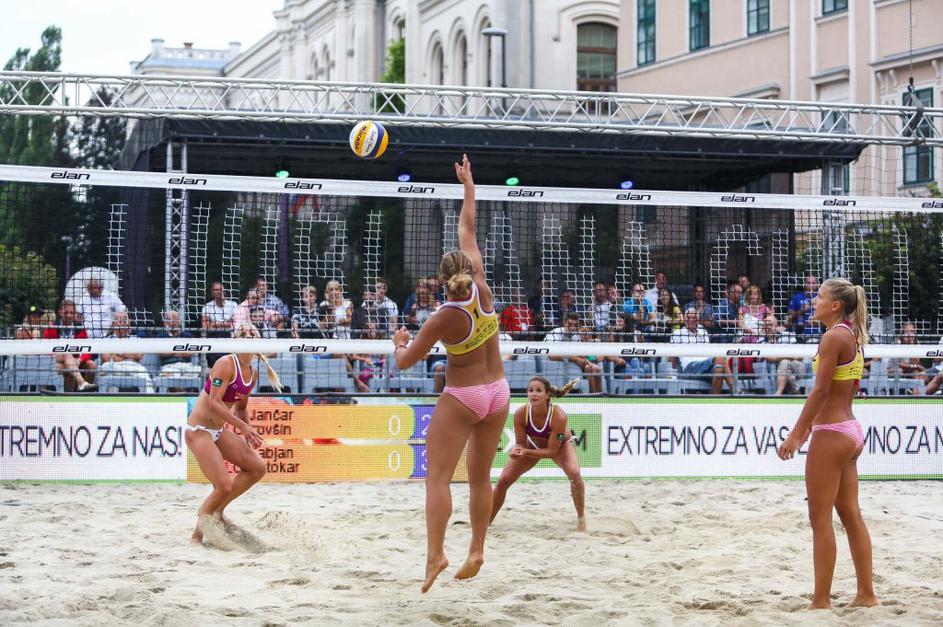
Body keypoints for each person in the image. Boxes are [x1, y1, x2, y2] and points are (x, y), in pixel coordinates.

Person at [390, 154, 509, 594]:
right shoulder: (482, 286)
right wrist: (469, 185)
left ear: (441, 281)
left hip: (464, 396)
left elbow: (405, 364)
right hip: (498, 393)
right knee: (481, 478)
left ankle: (436, 554)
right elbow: (468, 228)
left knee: (437, 478)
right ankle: (477, 547)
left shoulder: (442, 316)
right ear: (467, 269)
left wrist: (398, 341)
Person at [777, 278, 878, 610]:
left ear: (836, 305)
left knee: (819, 518)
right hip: (850, 430)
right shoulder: (851, 335)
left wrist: (796, 432)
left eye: (819, 296)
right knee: (851, 516)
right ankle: (866, 594)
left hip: (832, 432)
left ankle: (820, 601)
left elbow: (820, 392)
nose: (813, 301)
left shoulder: (833, 336)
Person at [185, 323, 283, 545]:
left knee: (257, 468)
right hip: (198, 430)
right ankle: (196, 535)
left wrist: (247, 432)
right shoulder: (225, 363)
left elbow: (240, 408)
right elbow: (213, 403)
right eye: (242, 333)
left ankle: (216, 512)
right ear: (235, 339)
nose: (246, 336)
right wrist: (243, 427)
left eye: (251, 333)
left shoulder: (253, 373)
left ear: (258, 341)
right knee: (224, 486)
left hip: (217, 432)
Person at [491, 376, 585, 531]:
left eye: (538, 391)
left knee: (574, 474)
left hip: (560, 446)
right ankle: (487, 520)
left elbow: (551, 451)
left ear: (547, 394)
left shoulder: (559, 416)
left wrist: (525, 451)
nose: (533, 394)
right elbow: (520, 442)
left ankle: (581, 519)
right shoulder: (521, 413)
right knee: (503, 480)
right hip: (533, 444)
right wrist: (517, 450)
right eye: (530, 390)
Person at [670, 309, 734, 394]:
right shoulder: (677, 334)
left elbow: (708, 354)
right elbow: (672, 358)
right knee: (720, 359)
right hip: (690, 368)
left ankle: (714, 402)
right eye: (689, 318)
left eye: (694, 318)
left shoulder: (703, 332)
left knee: (720, 368)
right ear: (685, 320)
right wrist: (673, 375)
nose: (691, 320)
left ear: (698, 320)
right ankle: (735, 389)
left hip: (706, 367)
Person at [43, 299, 97, 392]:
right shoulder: (51, 328)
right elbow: (45, 350)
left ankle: (86, 394)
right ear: (60, 312)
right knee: (66, 354)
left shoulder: (80, 328)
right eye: (66, 312)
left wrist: (79, 360)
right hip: (55, 362)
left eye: (72, 313)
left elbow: (87, 351)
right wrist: (59, 356)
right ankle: (77, 387)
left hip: (76, 362)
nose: (69, 315)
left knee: (92, 365)